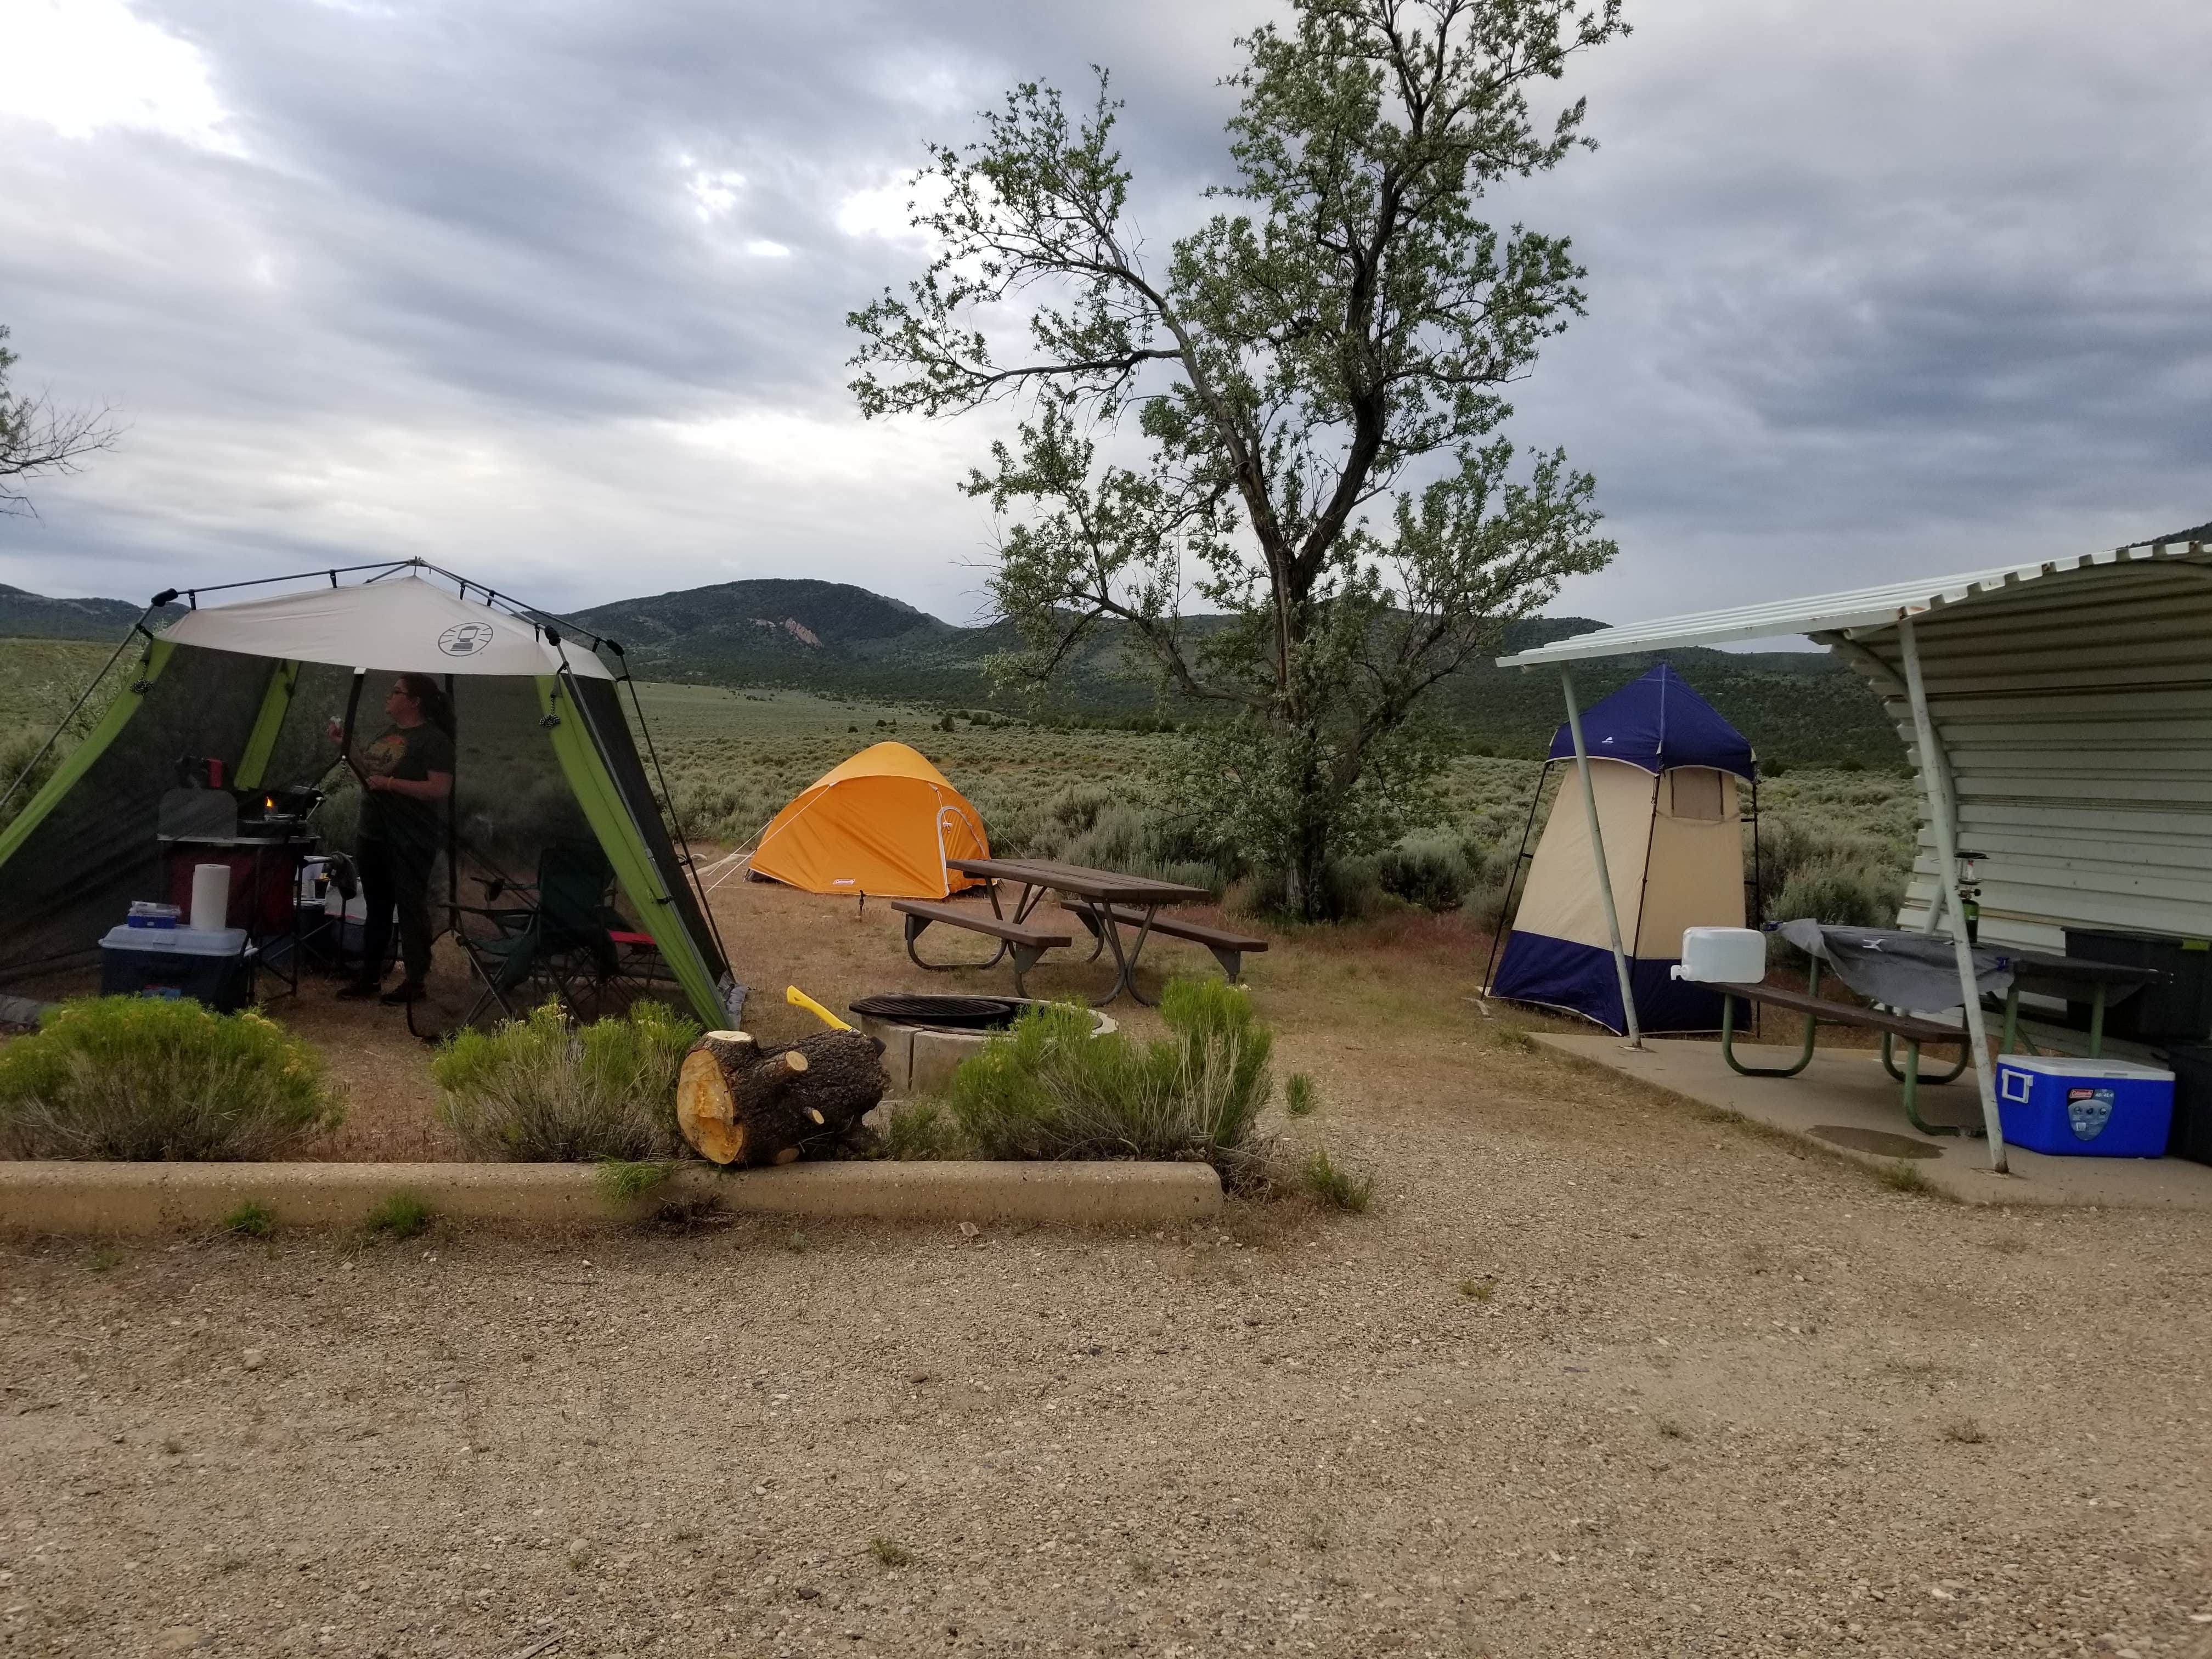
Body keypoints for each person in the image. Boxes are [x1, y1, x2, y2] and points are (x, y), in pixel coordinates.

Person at [332, 675, 454, 1005]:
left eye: (397, 692)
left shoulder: (434, 740)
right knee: (377, 907)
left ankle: (416, 982)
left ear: (414, 701)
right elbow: (370, 775)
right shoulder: (389, 735)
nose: (389, 697)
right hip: (373, 834)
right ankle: (370, 977)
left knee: (411, 908)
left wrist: (392, 785)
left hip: (410, 837)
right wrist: (346, 744)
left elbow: (440, 789)